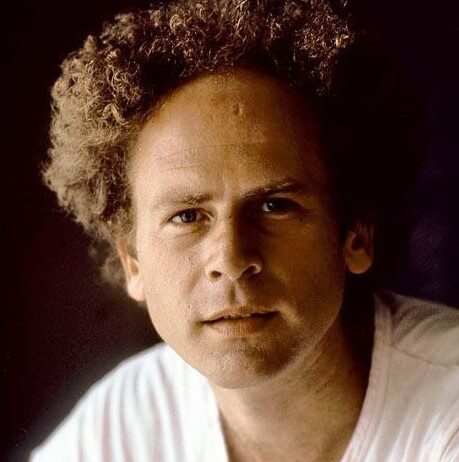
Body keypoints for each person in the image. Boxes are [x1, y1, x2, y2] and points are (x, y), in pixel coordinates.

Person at [30, 0, 458, 460]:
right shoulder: (122, 423)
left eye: (275, 206)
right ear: (132, 261)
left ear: (356, 234)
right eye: (187, 216)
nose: (231, 260)